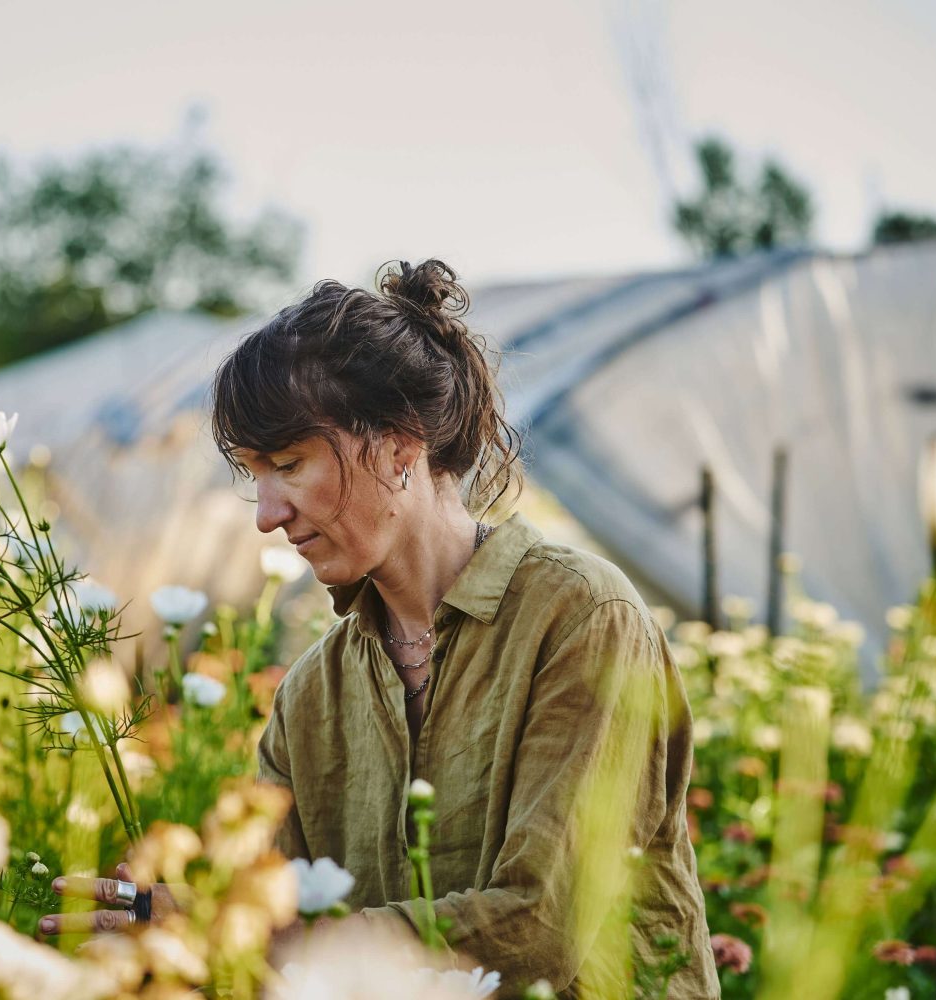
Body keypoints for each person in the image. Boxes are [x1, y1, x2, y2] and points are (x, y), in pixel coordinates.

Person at [43, 260, 717, 997]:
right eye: (253, 475)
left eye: (289, 464)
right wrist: (191, 925)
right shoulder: (311, 693)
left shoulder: (581, 617)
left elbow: (536, 927)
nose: (266, 513)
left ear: (400, 447)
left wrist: (248, 935)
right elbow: (270, 915)